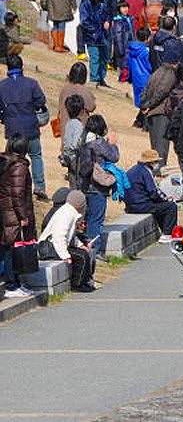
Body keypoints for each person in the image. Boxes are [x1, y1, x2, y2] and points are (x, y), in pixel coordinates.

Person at [0, 55, 48, 200]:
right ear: (22, 67)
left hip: (12, 130)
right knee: (36, 156)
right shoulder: (32, 83)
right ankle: (39, 187)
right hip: (31, 128)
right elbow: (41, 101)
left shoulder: (2, 86)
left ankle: (7, 185)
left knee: (10, 159)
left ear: (7, 68)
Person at [77, 114, 119, 258]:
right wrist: (112, 143)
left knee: (88, 219)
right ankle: (94, 251)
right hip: (97, 187)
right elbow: (114, 157)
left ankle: (85, 248)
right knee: (96, 220)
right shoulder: (99, 143)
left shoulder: (82, 141)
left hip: (84, 186)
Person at [0, 134, 37, 297]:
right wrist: (23, 216)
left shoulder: (6, 162)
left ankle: (15, 282)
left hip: (6, 212)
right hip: (13, 214)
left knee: (10, 248)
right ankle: (11, 284)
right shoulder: (19, 166)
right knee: (12, 250)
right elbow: (17, 194)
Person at [38, 190, 96, 292]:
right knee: (82, 256)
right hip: (48, 247)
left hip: (55, 246)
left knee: (83, 252)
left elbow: (70, 235)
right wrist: (65, 255)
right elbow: (59, 236)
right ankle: (77, 284)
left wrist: (81, 245)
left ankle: (83, 281)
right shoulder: (67, 214)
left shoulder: (70, 211)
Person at [123, 149, 177, 244]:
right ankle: (167, 234)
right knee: (171, 206)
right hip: (141, 205)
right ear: (150, 162)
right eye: (156, 162)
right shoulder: (146, 172)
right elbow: (153, 191)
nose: (157, 164)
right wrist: (166, 198)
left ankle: (164, 231)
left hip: (131, 206)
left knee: (160, 206)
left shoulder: (132, 170)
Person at [139, 52, 180, 171]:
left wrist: (144, 105)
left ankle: (155, 170)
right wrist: (149, 105)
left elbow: (146, 89)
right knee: (161, 146)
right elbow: (162, 92)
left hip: (151, 113)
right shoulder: (170, 74)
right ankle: (158, 171)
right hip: (161, 112)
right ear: (174, 63)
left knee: (155, 144)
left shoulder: (156, 72)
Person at [80, 0, 111, 88]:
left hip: (103, 35)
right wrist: (94, 31)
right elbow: (84, 21)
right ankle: (94, 79)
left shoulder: (103, 3)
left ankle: (101, 78)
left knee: (104, 57)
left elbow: (107, 15)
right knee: (95, 57)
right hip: (92, 36)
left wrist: (107, 21)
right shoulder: (86, 4)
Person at [57, 62, 96, 143]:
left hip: (65, 127)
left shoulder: (65, 89)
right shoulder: (85, 91)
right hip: (80, 127)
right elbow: (91, 107)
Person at [61, 95, 85, 189]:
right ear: (82, 111)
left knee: (72, 184)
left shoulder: (69, 123)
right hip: (75, 159)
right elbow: (75, 144)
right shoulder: (78, 125)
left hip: (68, 157)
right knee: (78, 185)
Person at [111, 0, 134, 83]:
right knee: (123, 69)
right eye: (123, 7)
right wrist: (121, 51)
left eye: (126, 7)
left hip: (129, 46)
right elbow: (118, 38)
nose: (125, 9)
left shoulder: (129, 19)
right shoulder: (118, 21)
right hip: (123, 48)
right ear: (119, 9)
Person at [128, 27, 152, 108]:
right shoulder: (146, 51)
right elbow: (149, 66)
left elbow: (129, 65)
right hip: (146, 79)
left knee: (138, 102)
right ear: (146, 38)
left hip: (136, 78)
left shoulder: (131, 49)